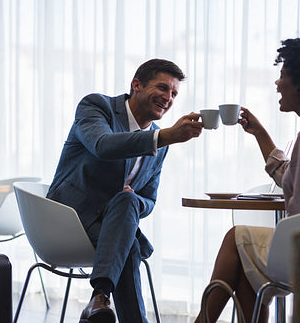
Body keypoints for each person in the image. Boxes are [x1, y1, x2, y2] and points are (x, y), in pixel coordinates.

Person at [194, 34, 300, 322]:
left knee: (237, 238)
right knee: (245, 263)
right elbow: (292, 180)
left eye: (282, 75)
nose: (277, 83)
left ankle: (202, 321)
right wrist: (261, 134)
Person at [46, 59, 203, 323]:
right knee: (128, 244)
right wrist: (164, 137)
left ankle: (100, 299)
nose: (168, 98)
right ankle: (102, 301)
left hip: (113, 225)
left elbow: (149, 200)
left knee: (128, 206)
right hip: (68, 220)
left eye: (174, 93)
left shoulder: (159, 141)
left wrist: (131, 199)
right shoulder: (97, 107)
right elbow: (103, 145)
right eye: (162, 88)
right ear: (137, 85)